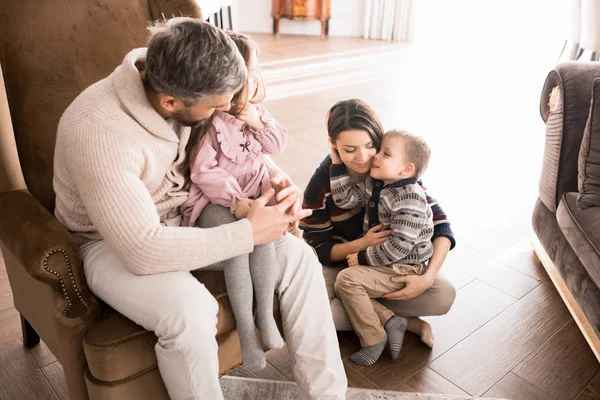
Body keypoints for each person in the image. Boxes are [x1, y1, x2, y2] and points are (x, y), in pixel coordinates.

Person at [53, 18, 346, 400]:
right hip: (110, 242)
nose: (228, 108)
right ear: (170, 103)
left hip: (193, 212)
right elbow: (142, 248)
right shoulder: (99, 131)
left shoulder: (186, 74)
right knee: (191, 312)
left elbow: (227, 140)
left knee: (300, 259)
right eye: (217, 105)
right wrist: (249, 232)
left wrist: (275, 178)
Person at [300, 99, 456, 353]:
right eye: (349, 149)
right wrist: (360, 248)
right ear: (333, 144)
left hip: (390, 263)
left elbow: (440, 223)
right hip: (343, 264)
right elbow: (318, 246)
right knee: (317, 308)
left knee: (443, 294)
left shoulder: (395, 169)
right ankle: (397, 322)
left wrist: (427, 278)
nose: (363, 158)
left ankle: (371, 312)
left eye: (371, 146)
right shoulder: (321, 184)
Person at [180, 32, 287, 371]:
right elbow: (202, 171)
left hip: (252, 200)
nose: (256, 79)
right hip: (214, 202)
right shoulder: (210, 120)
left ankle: (264, 317)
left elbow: (278, 145)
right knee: (240, 246)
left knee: (264, 239)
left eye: (258, 71)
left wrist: (258, 120)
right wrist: (236, 201)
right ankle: (245, 330)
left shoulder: (257, 114)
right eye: (250, 72)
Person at [331, 129, 434, 366]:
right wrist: (337, 164)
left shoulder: (410, 198)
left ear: (406, 169)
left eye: (385, 153)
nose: (375, 156)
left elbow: (399, 247)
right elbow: (344, 200)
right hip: (390, 263)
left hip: (406, 267)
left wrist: (363, 257)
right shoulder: (379, 185)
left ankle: (373, 338)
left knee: (347, 281)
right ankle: (390, 320)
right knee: (344, 281)